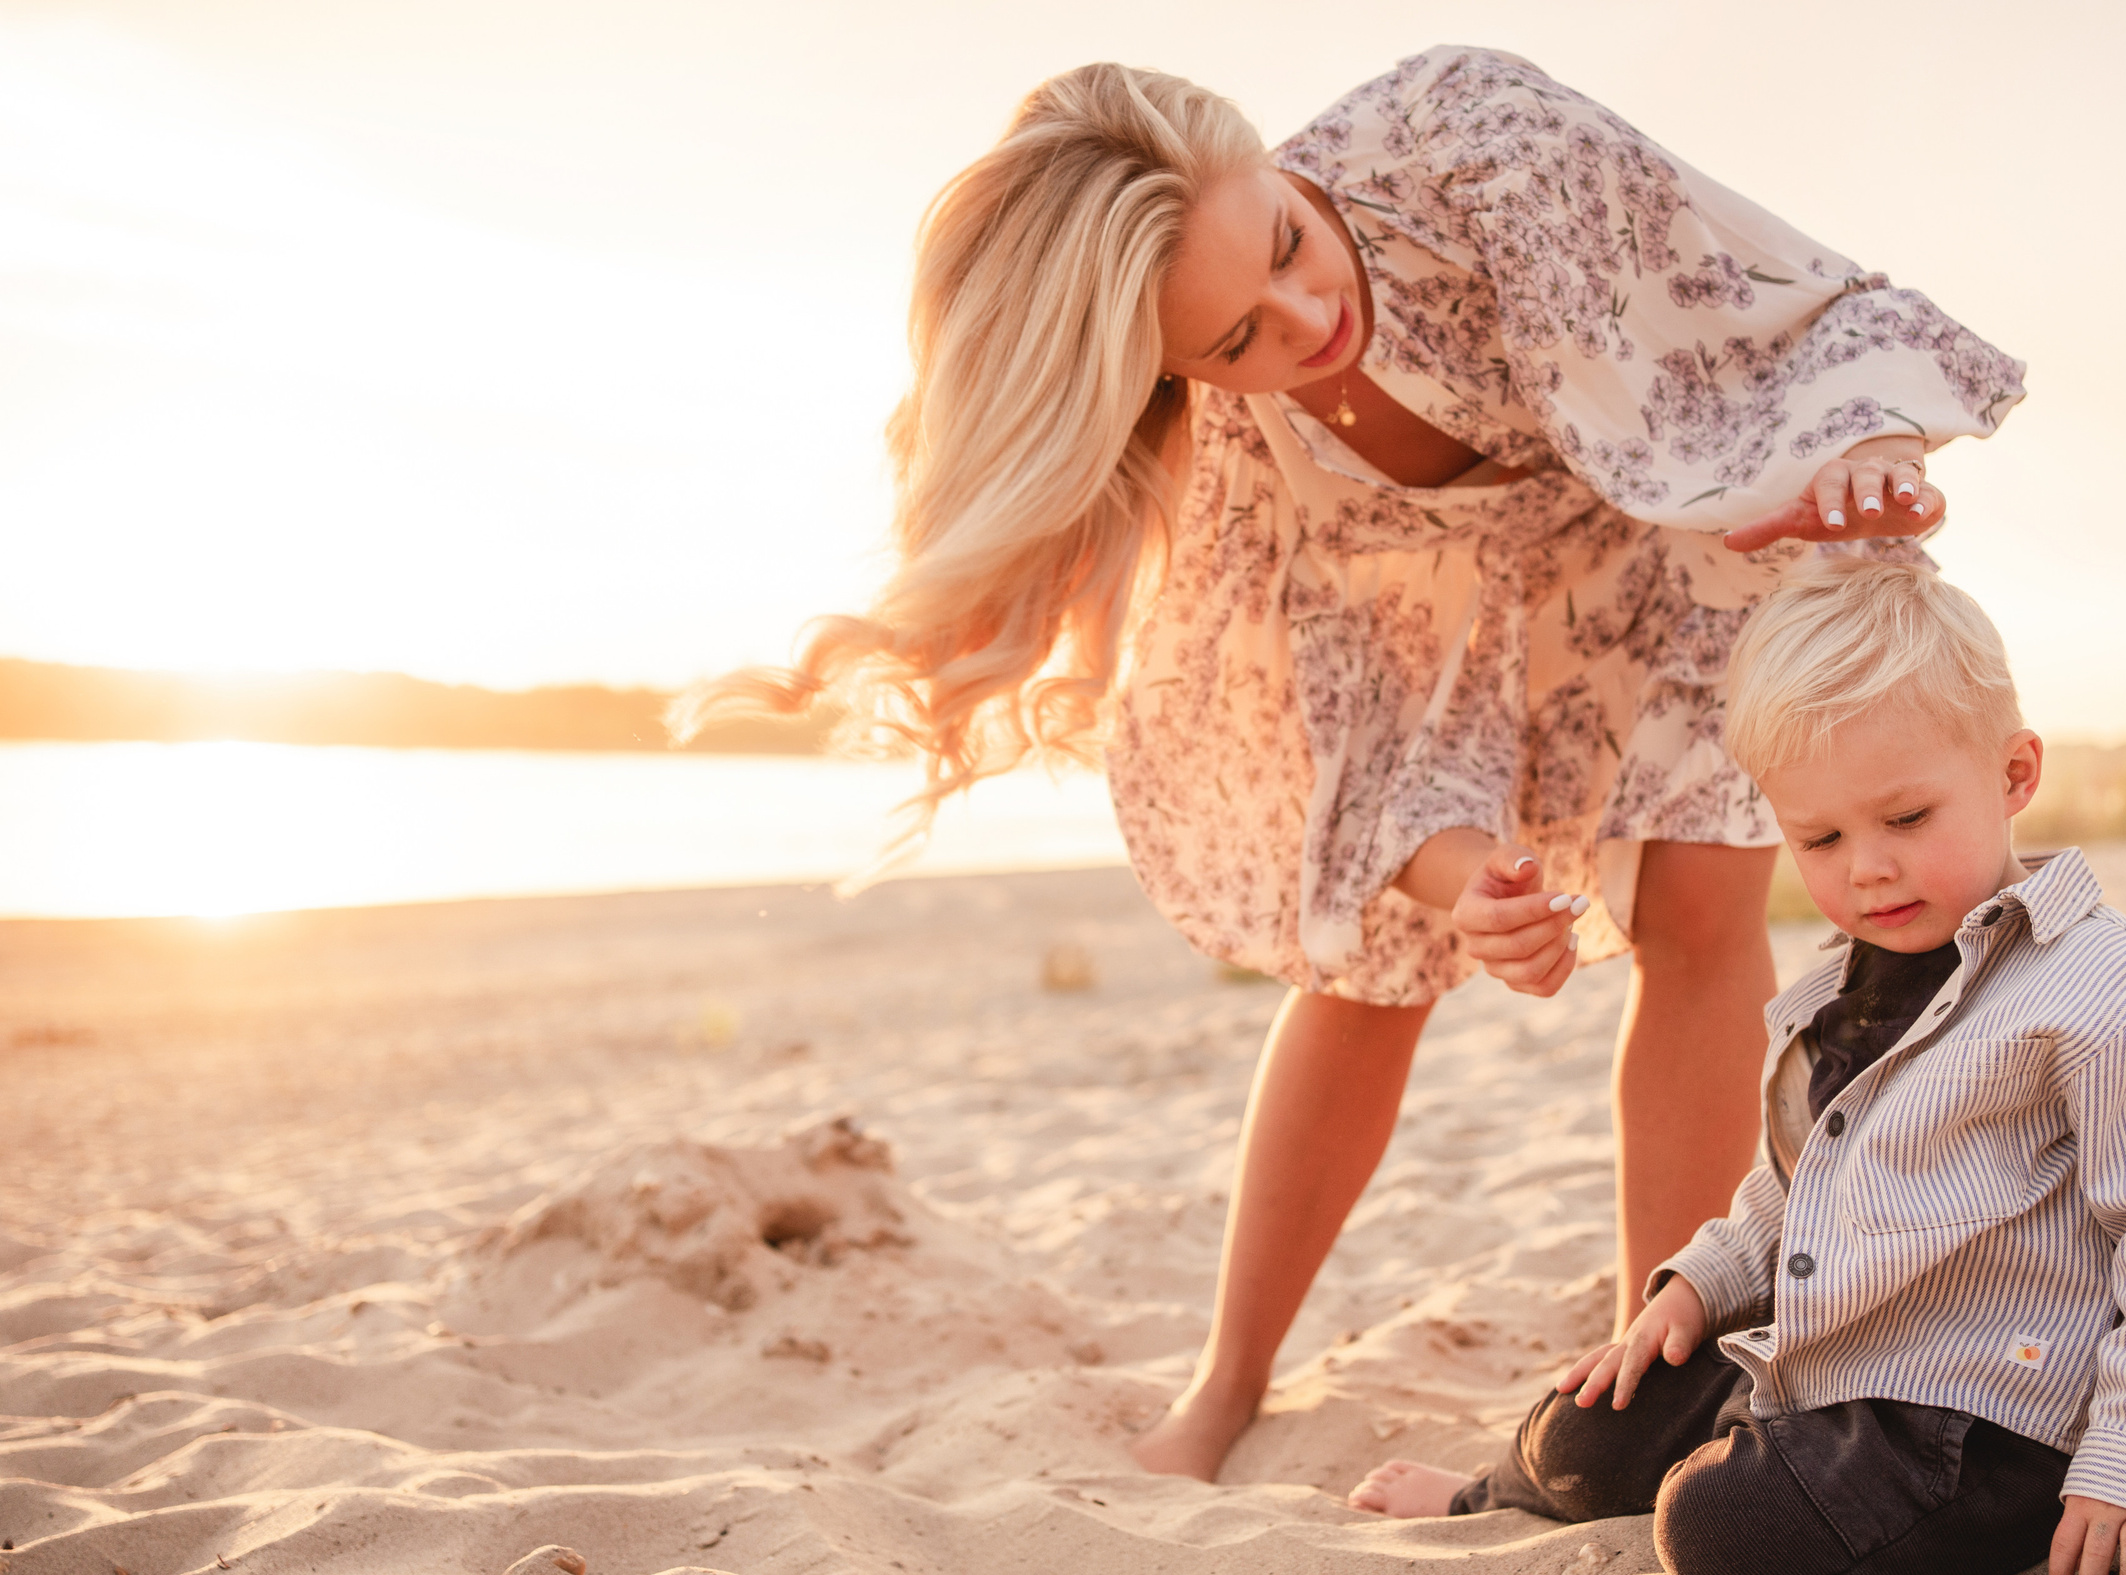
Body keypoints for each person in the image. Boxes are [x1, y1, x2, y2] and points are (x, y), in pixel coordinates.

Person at [681, 45, 2026, 1480]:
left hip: (1691, 520)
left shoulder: (1474, 134)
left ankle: (1660, 1386)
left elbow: (1759, 303)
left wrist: (1856, 451)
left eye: (1287, 245)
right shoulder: (1252, 459)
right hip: (1471, 625)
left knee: (1701, 920)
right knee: (1364, 971)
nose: (1306, 321)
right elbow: (1371, 734)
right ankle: (1226, 1385)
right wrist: (1469, 885)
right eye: (1234, 341)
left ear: (1269, 159)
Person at [1349, 557, 2126, 1575]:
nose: (1865, 868)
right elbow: (1799, 1186)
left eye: (1906, 820)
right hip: (1832, 1365)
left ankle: (1753, 1465)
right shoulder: (1845, 987)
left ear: (2013, 776)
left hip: (1988, 1423)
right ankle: (1487, 1498)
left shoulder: (2119, 997)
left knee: (1718, 1529)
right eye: (1819, 838)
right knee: (1586, 1421)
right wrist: (1698, 1282)